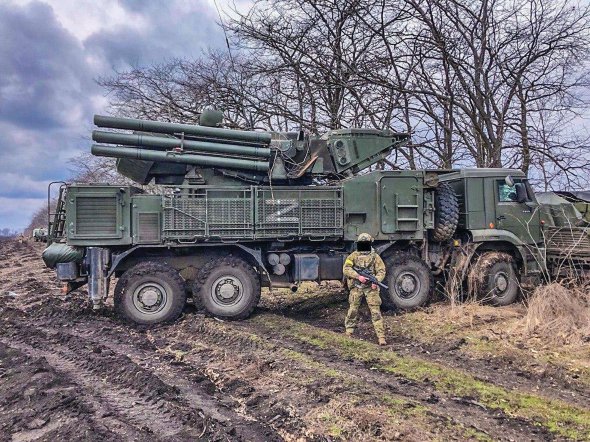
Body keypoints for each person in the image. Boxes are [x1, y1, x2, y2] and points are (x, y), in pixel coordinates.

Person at [343, 233, 387, 345]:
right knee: (353, 310)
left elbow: (381, 271)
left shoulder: (375, 257)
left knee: (376, 312)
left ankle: (381, 337)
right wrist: (358, 276)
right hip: (357, 287)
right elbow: (346, 268)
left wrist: (376, 281)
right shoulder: (353, 256)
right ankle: (349, 331)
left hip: (370, 288)